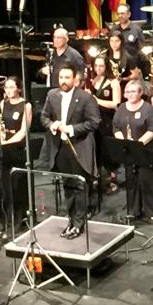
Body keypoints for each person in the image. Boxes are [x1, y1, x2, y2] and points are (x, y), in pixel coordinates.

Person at [40, 64, 100, 238]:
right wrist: (53, 125)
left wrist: (72, 129)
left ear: (74, 79)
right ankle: (71, 220)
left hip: (79, 147)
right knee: (67, 184)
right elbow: (44, 117)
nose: (63, 81)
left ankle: (78, 224)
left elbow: (94, 122)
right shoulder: (52, 95)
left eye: (67, 77)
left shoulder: (85, 97)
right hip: (60, 148)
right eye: (61, 77)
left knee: (79, 186)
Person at [112, 80, 153, 221]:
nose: (130, 94)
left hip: (145, 151)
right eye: (127, 92)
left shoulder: (148, 109)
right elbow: (116, 127)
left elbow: (152, 129)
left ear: (140, 93)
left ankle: (151, 212)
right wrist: (124, 142)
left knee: (146, 180)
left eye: (133, 91)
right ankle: (133, 210)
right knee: (131, 181)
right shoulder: (121, 108)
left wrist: (137, 145)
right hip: (129, 152)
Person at [0, 76, 33, 234]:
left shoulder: (26, 105)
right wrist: (2, 140)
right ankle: (8, 219)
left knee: (18, 186)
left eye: (12, 87)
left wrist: (8, 142)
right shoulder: (2, 103)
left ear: (19, 88)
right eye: (7, 87)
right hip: (5, 147)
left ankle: (20, 219)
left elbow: (24, 131)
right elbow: (0, 126)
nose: (9, 90)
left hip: (18, 148)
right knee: (5, 187)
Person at [87, 56, 121, 204]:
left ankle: (113, 179)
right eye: (96, 66)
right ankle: (98, 177)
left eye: (101, 66)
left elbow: (116, 104)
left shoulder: (113, 82)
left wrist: (97, 100)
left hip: (108, 120)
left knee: (108, 151)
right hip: (95, 120)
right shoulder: (92, 81)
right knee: (97, 149)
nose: (98, 69)